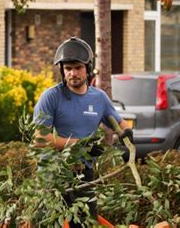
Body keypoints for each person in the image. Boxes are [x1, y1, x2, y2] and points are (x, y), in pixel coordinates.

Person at [33, 37, 132, 227]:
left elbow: (120, 124)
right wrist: (80, 145)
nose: (72, 73)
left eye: (77, 67)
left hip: (83, 175)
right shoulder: (51, 97)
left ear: (88, 67)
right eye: (68, 68)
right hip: (52, 176)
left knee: (86, 224)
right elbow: (40, 139)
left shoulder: (98, 98)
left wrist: (128, 138)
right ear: (62, 70)